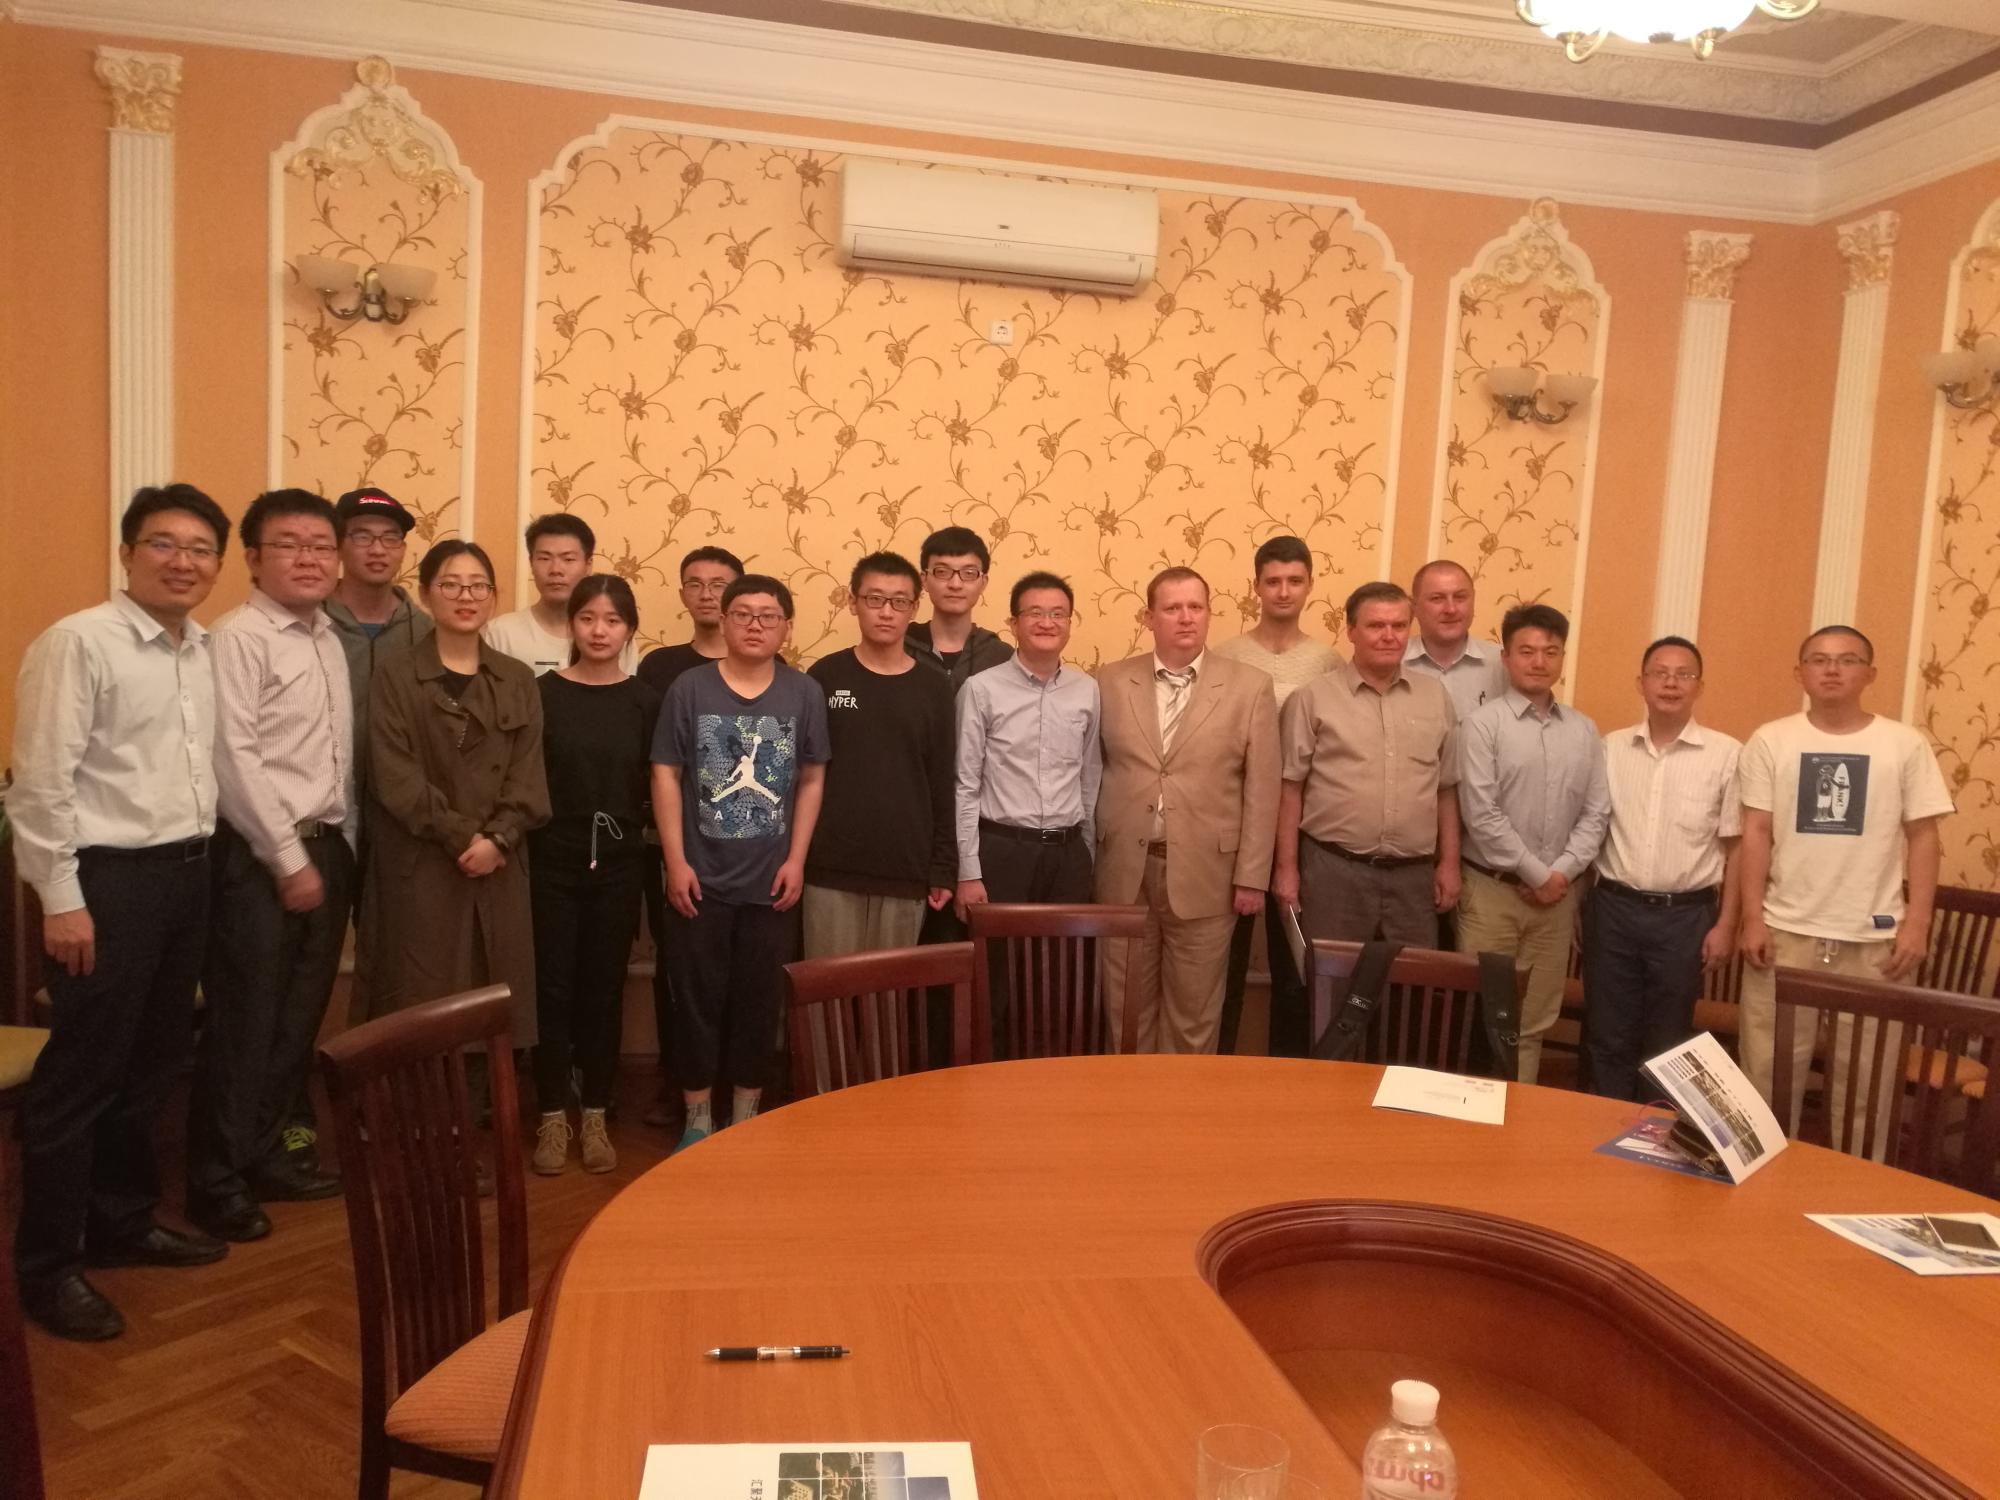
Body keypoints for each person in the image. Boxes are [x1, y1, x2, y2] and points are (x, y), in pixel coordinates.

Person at [8, 484, 233, 1341]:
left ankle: (123, 1222)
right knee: (81, 1077)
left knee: (152, 1065)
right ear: (127, 553)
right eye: (164, 544)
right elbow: (41, 783)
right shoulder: (80, 642)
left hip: (187, 877)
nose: (183, 562)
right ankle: (48, 1267)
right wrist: (62, 899)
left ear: (218, 563)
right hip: (107, 886)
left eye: (201, 549)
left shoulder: (199, 649)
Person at [187, 489, 354, 1248]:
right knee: (245, 1024)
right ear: (253, 559)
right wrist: (288, 859)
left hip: (326, 846)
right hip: (261, 857)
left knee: (295, 1021)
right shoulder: (238, 637)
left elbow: (334, 758)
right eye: (290, 544)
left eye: (321, 545)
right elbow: (233, 758)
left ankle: (264, 1157)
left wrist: (336, 849)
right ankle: (215, 1182)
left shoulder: (326, 638)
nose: (309, 558)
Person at [1737, 626, 1952, 1147]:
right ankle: (1761, 1176)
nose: (1832, 669)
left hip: (1875, 941)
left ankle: (1859, 1181)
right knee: (1766, 1074)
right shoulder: (1771, 740)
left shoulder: (1903, 744)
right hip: (1784, 934)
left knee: (1867, 1085)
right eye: (1819, 659)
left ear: (1870, 674)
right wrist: (1752, 918)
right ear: (1800, 673)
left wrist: (1917, 924)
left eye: (1848, 659)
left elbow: (1924, 836)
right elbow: (1756, 832)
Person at [652, 574, 829, 1153]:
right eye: (744, 614)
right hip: (698, 880)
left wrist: (797, 859)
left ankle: (748, 1111)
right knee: (695, 1001)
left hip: (771, 882)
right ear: (724, 621)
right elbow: (665, 772)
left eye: (768, 616)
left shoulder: (803, 692)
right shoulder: (689, 688)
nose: (756, 625)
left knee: (759, 1001)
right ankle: (698, 1114)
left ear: (786, 628)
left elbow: (811, 777)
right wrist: (675, 861)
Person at [355, 540, 549, 1062]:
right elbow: (394, 776)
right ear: (425, 595)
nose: (466, 596)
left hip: (499, 863)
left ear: (493, 597)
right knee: (417, 1000)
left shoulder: (517, 678)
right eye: (451, 585)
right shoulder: (395, 674)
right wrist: (465, 837)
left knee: (492, 1000)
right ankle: (416, 1104)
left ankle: (486, 1101)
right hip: (423, 861)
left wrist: (498, 838)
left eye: (478, 586)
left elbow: (529, 776)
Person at [1094, 567, 1278, 1054]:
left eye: (1196, 607)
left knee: (1193, 1019)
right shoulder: (1109, 681)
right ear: (1149, 617)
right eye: (1172, 608)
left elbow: (1263, 789)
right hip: (1124, 874)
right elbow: (1089, 771)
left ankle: (1180, 1102)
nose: (1186, 617)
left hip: (1209, 877)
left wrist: (1252, 877)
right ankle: (1125, 1100)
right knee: (1125, 1013)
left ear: (1209, 614)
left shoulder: (1250, 687)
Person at [1274, 582, 1460, 1044]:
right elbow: (1289, 789)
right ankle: (1328, 1088)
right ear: (1351, 631)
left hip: (1413, 880)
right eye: (1376, 625)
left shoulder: (1434, 698)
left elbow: (1446, 789)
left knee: (1409, 1003)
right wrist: (1286, 870)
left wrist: (1450, 864)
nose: (1388, 635)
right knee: (1330, 999)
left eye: (1398, 625)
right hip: (1334, 873)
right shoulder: (1313, 699)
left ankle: (1394, 1088)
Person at [529, 576, 661, 1176]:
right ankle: (552, 1114)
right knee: (552, 988)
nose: (599, 631)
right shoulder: (541, 694)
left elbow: (660, 785)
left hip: (620, 860)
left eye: (612, 620)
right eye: (588, 618)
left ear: (630, 628)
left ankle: (597, 1113)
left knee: (604, 989)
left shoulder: (645, 701)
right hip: (551, 856)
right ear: (571, 624)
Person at [1455, 603, 1609, 1083]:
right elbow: (1481, 814)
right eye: (1527, 651)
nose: (1539, 661)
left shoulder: (1584, 730)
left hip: (1557, 902)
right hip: (1491, 894)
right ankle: (1472, 1118)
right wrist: (1539, 874)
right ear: (1505, 657)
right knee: (1483, 1015)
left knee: (1535, 1021)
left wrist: (1560, 875)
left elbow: (1596, 813)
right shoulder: (1482, 725)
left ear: (1562, 657)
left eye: (1551, 651)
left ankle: (1519, 1114)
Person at [1583, 636, 1742, 1102]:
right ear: (1641, 683)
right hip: (1613, 908)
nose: (1671, 683)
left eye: (1683, 674)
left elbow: (1738, 847)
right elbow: (1591, 830)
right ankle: (1604, 1126)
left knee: (1670, 1041)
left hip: (1686, 917)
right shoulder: (1610, 748)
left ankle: (1652, 1133)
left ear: (1699, 686)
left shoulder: (1727, 754)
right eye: (1660, 673)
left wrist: (1727, 925)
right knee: (1607, 1032)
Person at [1214, 535, 1341, 1055]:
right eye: (1273, 581)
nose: (1283, 591)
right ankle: (1219, 1063)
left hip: (1301, 830)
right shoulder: (1226, 656)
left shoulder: (1328, 662)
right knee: (1225, 958)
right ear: (1257, 587)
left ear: (1310, 586)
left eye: (1294, 581)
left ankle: (1292, 1070)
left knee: (1296, 961)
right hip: (1234, 823)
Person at [634, 545, 743, 1128]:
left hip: (748, 852)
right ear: (681, 594)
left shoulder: (770, 665)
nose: (707, 594)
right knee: (677, 970)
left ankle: (736, 1086)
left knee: (741, 975)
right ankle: (678, 1081)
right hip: (674, 846)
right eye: (695, 583)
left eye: (719, 584)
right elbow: (654, 761)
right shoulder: (660, 668)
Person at [803, 552, 955, 957]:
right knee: (828, 990)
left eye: (899, 601)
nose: (886, 612)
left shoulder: (934, 688)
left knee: (889, 993)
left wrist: (943, 867)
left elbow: (943, 782)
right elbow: (803, 775)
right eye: (874, 599)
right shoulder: (824, 677)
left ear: (914, 608)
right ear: (853, 602)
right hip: (829, 868)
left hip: (905, 869)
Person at [954, 571, 1102, 915]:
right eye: (1035, 613)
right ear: (1013, 623)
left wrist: (1087, 852)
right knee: (999, 950)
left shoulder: (1087, 690)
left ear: (1069, 622)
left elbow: (1089, 776)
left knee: (1064, 951)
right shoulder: (981, 689)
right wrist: (968, 871)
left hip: (1068, 856)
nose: (1047, 623)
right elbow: (964, 784)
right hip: (1003, 851)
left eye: (1058, 614)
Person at [323, 485, 433, 747]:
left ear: (403, 549)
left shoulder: (426, 631)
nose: (378, 550)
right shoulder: (312, 623)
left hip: (399, 772)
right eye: (362, 536)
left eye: (390, 537)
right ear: (338, 546)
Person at [484, 512, 634, 675]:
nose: (556, 570)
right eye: (544, 558)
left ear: (588, 564)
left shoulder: (614, 638)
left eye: (568, 559)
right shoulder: (500, 634)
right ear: (531, 563)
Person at [905, 525, 1013, 689]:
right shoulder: (900, 647)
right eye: (942, 572)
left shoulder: (1001, 656)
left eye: (969, 573)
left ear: (983, 583)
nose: (955, 584)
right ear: (924, 580)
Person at [1404, 559, 1507, 723]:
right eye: (1437, 598)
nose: (1451, 609)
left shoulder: (1504, 663)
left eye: (1460, 597)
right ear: (1414, 607)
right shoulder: (1394, 663)